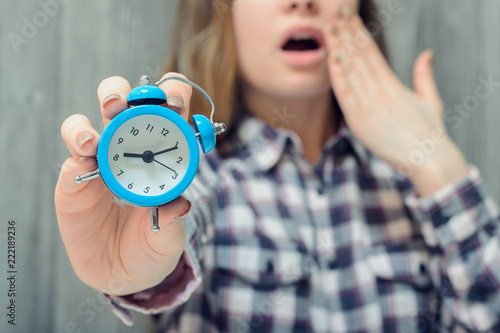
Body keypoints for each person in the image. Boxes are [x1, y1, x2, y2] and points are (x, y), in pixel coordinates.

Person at [55, 0, 500, 332]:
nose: (301, 1)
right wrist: (138, 273)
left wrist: (438, 164)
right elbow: (178, 234)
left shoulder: (416, 188)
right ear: (219, 13)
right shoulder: (199, 175)